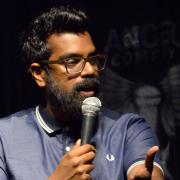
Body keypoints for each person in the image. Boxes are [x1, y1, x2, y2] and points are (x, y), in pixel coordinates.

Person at [0, 5, 164, 180]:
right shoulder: (5, 136)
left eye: (93, 59)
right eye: (72, 61)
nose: (89, 70)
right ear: (39, 74)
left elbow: (145, 170)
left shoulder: (127, 129)